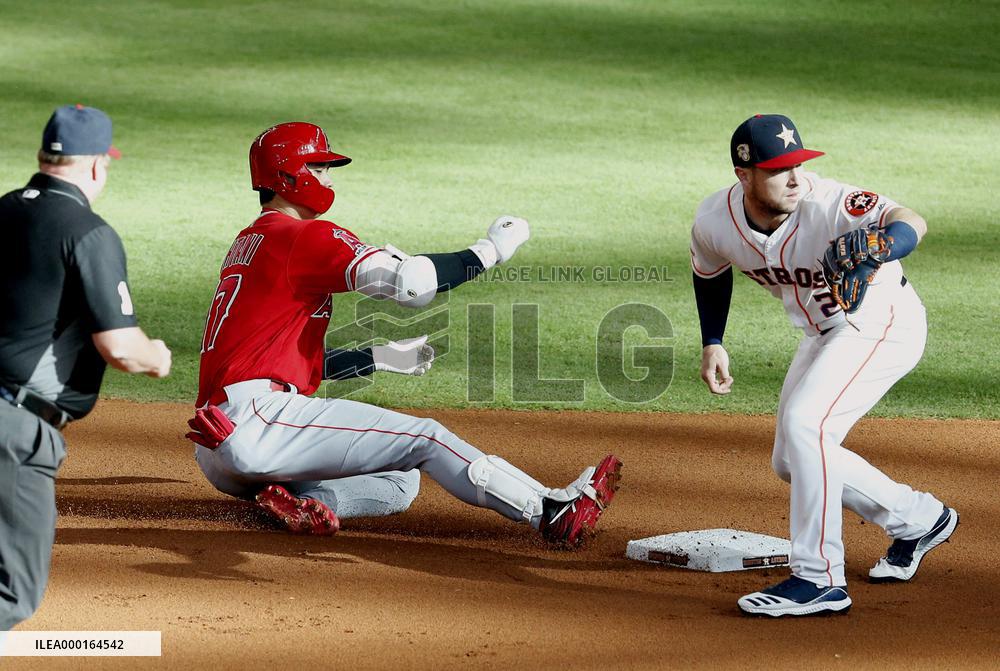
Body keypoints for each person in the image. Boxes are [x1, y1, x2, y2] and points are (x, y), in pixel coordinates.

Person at [186, 121, 620, 546]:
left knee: (399, 479)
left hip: (220, 448)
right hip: (260, 423)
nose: (326, 177)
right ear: (286, 175)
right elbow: (410, 283)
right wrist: (490, 252)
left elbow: (278, 357)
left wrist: (380, 357)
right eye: (318, 167)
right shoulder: (300, 236)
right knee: (426, 437)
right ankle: (549, 512)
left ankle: (308, 502)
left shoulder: (250, 243)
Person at [689, 114, 958, 617]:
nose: (794, 178)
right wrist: (713, 340)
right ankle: (917, 517)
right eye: (777, 169)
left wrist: (884, 244)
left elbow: (911, 220)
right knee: (791, 459)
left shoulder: (831, 203)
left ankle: (819, 577)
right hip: (823, 333)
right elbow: (710, 270)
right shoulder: (714, 220)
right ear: (743, 175)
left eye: (798, 164)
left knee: (805, 424)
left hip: (883, 322)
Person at [0, 105, 172, 630]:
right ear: (98, 165)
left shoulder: (2, 208)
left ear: (42, 155)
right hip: (13, 434)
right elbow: (121, 348)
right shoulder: (88, 232)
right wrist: (157, 358)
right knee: (12, 596)